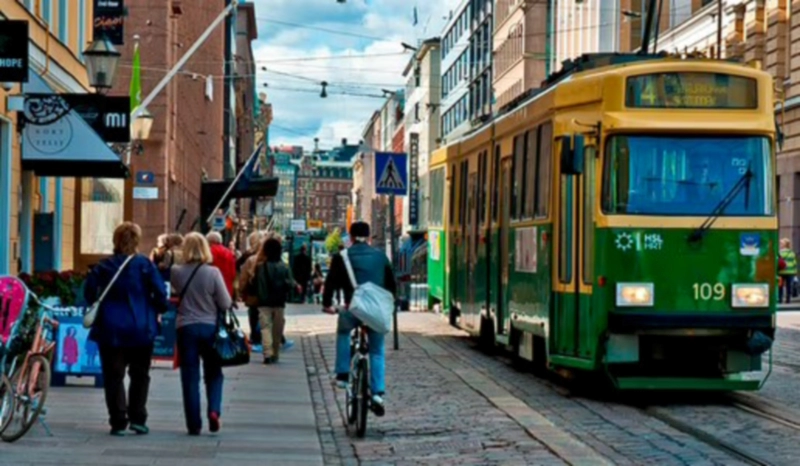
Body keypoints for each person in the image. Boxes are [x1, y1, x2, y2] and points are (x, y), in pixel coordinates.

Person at [84, 222, 168, 436]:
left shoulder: (104, 266)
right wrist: (158, 308)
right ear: (137, 241)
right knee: (140, 374)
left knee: (113, 376)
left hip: (111, 328)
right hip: (141, 327)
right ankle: (138, 417)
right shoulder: (144, 265)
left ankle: (118, 420)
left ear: (115, 241)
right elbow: (160, 294)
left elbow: (89, 293)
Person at [322, 222, 396, 417]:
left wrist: (327, 305)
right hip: (375, 313)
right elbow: (391, 285)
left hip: (352, 309)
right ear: (369, 237)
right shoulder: (381, 257)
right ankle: (378, 393)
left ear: (351, 237)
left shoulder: (342, 257)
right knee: (377, 351)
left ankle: (343, 374)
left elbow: (330, 283)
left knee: (344, 331)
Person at [171, 233, 232, 436]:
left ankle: (193, 424)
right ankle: (214, 411)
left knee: (189, 376)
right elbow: (225, 303)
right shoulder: (213, 273)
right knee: (214, 373)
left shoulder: (176, 271)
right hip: (209, 328)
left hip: (186, 328)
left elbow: (174, 292)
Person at [255, 236, 300, 364]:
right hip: (279, 302)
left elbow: (256, 283)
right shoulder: (284, 267)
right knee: (277, 329)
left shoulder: (260, 267)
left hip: (264, 302)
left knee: (265, 328)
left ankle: (267, 353)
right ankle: (275, 353)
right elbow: (291, 283)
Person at [239, 231, 265, 352]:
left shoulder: (248, 256)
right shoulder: (265, 257)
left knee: (254, 315)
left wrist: (240, 290)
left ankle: (255, 338)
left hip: (252, 292)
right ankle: (260, 339)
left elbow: (242, 275)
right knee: (263, 315)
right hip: (264, 293)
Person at [207, 231, 237, 300]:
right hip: (227, 287)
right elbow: (233, 273)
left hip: (212, 288)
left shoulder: (209, 252)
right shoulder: (228, 252)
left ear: (210, 241)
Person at [779, 238, 797, 304]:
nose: (780, 245)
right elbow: (794, 263)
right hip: (790, 272)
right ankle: (788, 300)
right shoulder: (792, 253)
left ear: (784, 245)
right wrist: (795, 271)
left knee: (780, 286)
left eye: (781, 243)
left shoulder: (779, 253)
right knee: (789, 286)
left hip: (781, 272)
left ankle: (780, 299)